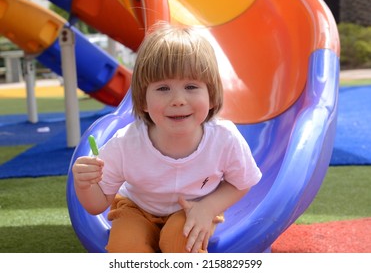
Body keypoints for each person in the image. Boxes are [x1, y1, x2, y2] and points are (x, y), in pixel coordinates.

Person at [72, 22, 262, 253]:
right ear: (143, 100)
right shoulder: (126, 144)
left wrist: (208, 208)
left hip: (194, 207)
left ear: (211, 96)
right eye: (163, 88)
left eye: (191, 86)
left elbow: (242, 182)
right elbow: (96, 205)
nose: (178, 100)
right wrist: (84, 185)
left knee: (180, 242)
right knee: (125, 247)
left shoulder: (224, 139)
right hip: (136, 209)